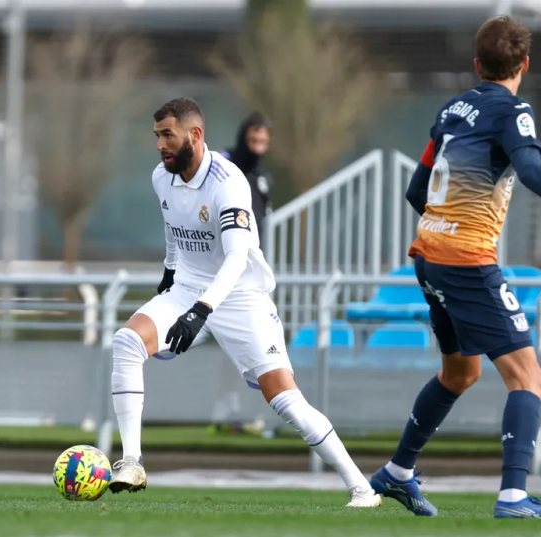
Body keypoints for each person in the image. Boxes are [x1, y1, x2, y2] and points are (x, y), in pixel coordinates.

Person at [369, 15, 541, 520]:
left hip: (428, 256)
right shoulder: (514, 112)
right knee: (529, 379)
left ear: (477, 64)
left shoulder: (452, 109)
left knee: (459, 373)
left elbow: (415, 191)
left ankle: (397, 473)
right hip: (467, 262)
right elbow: (531, 170)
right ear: (525, 65)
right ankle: (514, 496)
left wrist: (446, 226)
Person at [108, 97, 381, 508]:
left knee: (285, 400)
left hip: (241, 297)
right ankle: (132, 462)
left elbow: (237, 258)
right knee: (126, 342)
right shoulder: (161, 177)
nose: (160, 144)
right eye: (157, 135)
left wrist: (201, 310)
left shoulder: (229, 182)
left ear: (194, 135)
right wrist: (169, 273)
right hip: (186, 288)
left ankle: (362, 489)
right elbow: (172, 225)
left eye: (168, 135)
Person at [220, 112, 273, 245]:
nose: (257, 149)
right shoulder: (222, 163)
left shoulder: (263, 179)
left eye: (263, 142)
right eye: (253, 141)